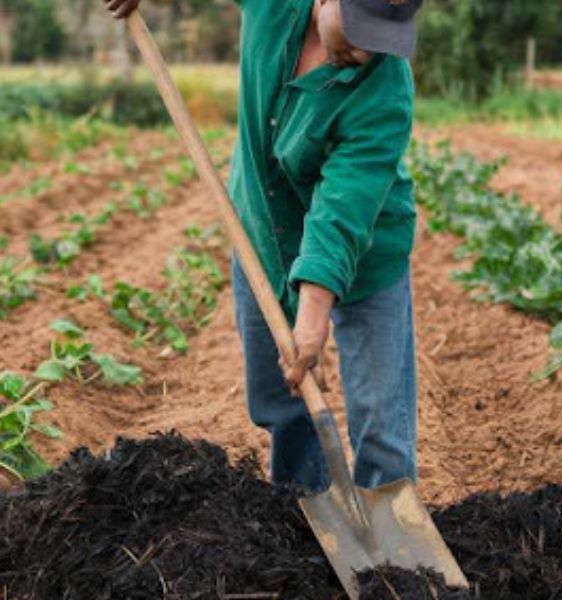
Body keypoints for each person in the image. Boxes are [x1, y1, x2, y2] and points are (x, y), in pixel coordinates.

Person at [105, 0, 424, 494]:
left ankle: (391, 548)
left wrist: (313, 310)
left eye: (385, 34)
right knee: (280, 406)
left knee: (382, 423)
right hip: (263, 239)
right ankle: (302, 513)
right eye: (360, 28)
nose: (368, 49)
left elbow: (343, 209)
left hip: (364, 251)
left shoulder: (386, 90)